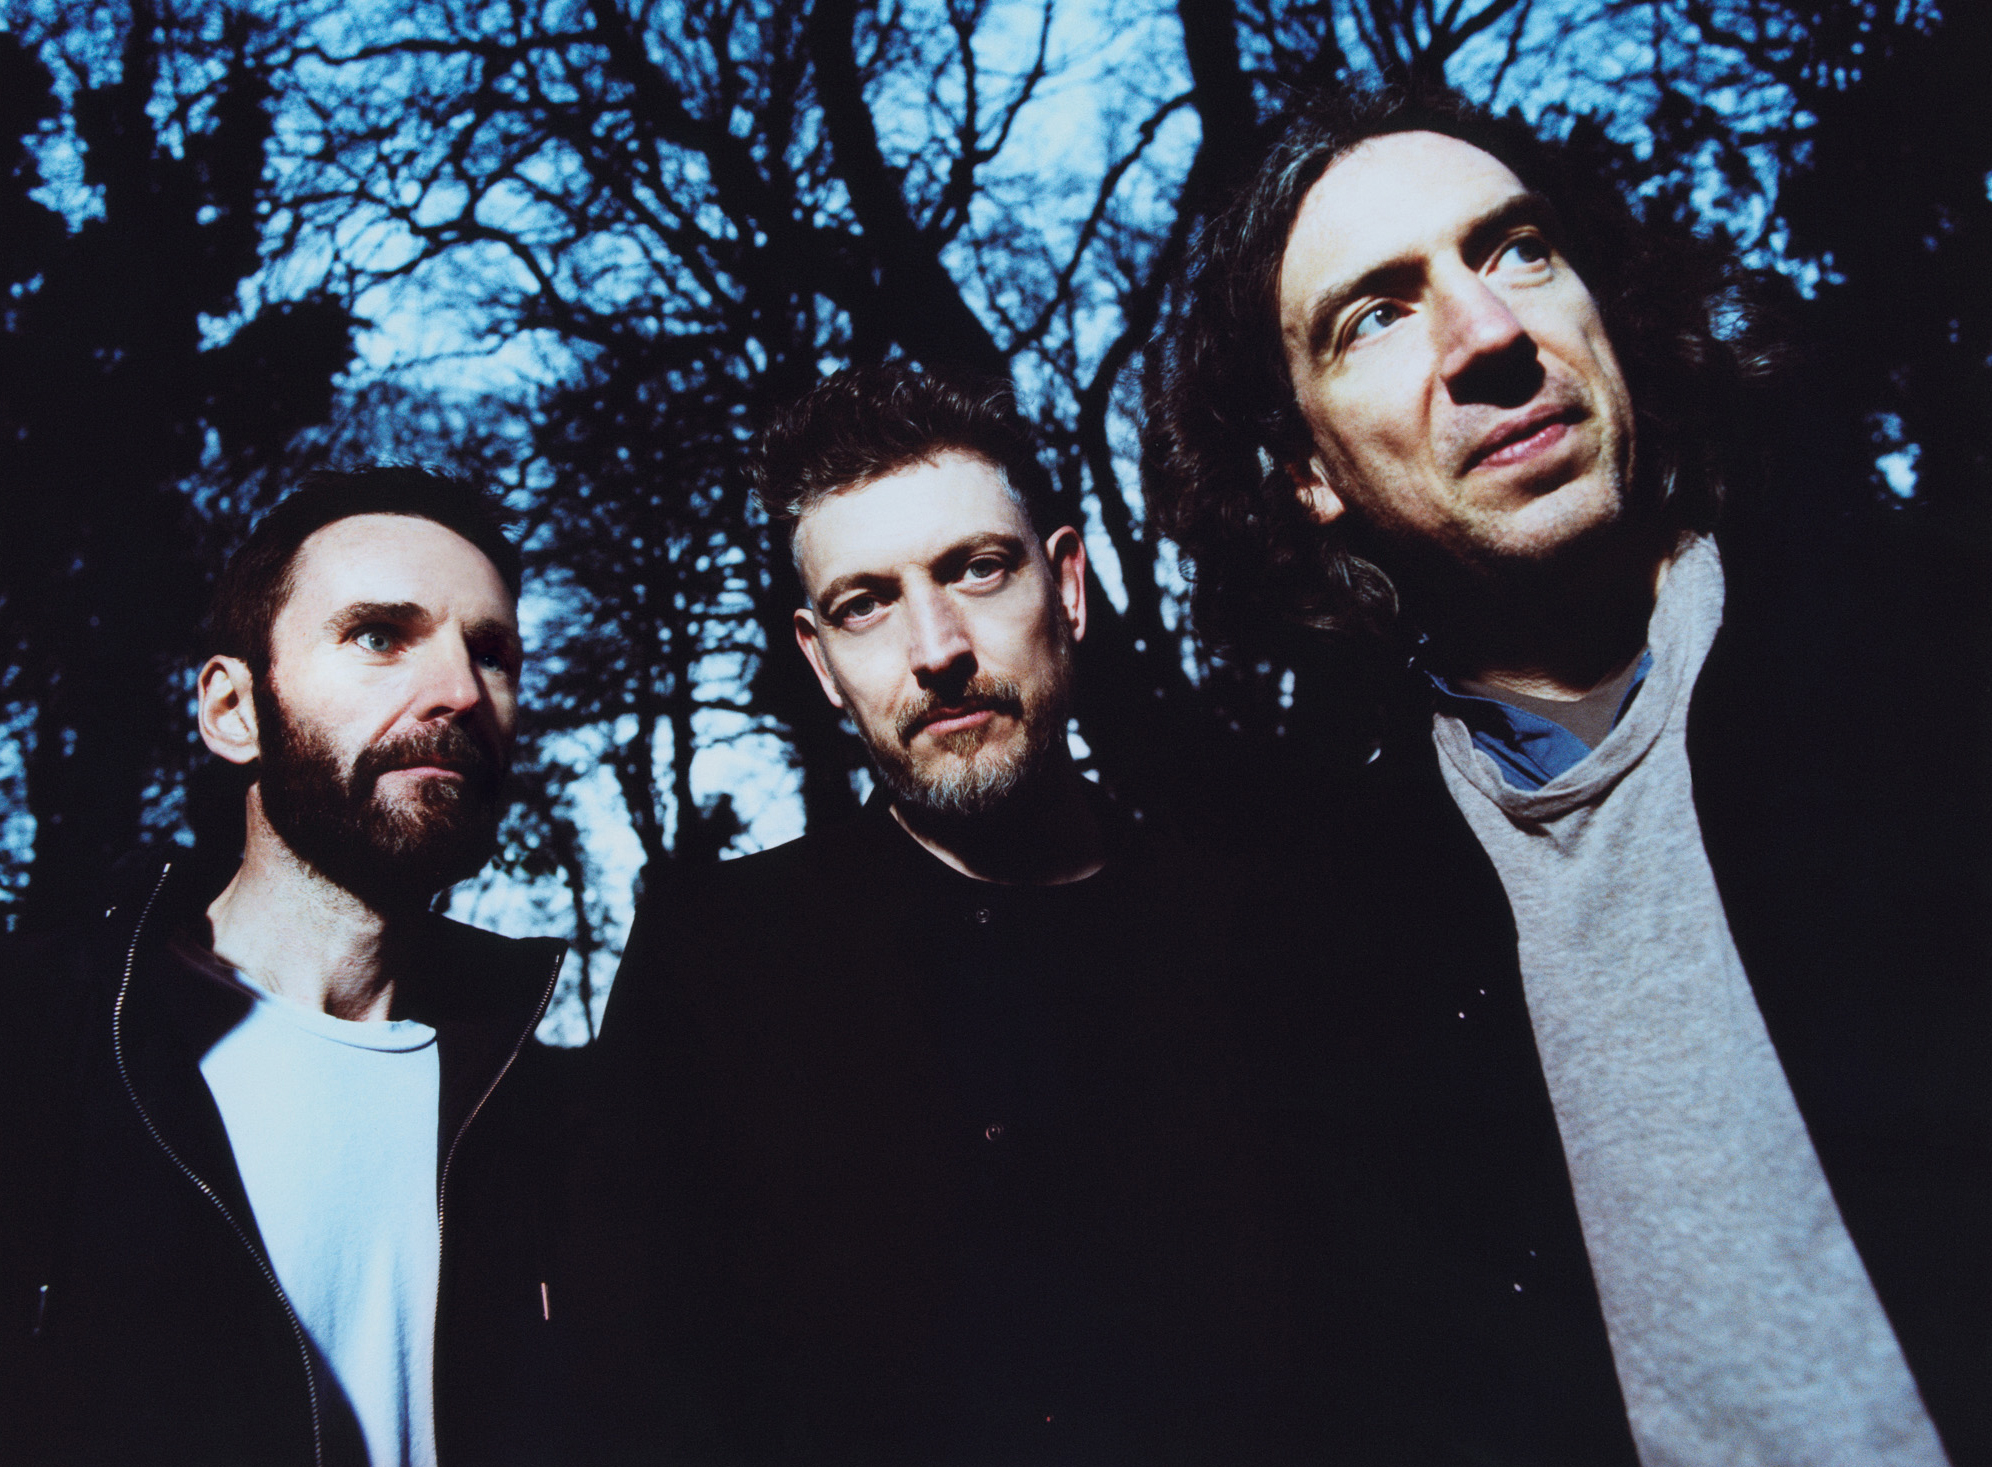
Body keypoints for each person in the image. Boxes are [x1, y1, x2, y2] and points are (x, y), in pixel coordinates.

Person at [1144, 84, 1990, 1465]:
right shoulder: (1322, 956)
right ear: (1307, 471)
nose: (1489, 333)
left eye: (1518, 248)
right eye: (1378, 314)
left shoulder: (1937, 651)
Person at [595, 366, 1307, 1464]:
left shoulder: (1260, 935)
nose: (936, 649)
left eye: (977, 569)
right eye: (865, 604)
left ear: (1069, 587)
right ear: (820, 661)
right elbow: (639, 1401)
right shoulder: (715, 962)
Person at [0, 468, 572, 1467]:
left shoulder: (556, 1117)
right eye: (379, 635)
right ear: (234, 709)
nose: (460, 690)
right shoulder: (42, 1044)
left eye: (492, 653)